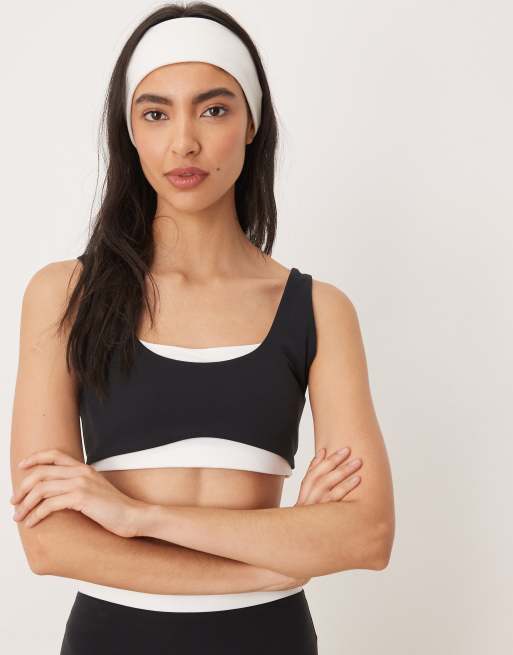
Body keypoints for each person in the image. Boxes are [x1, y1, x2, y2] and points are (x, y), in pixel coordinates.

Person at [10, 3, 395, 654]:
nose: (183, 143)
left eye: (213, 109)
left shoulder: (318, 309)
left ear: (251, 123)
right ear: (130, 131)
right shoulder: (66, 295)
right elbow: (49, 542)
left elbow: (366, 535)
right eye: (155, 113)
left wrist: (137, 517)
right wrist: (277, 558)